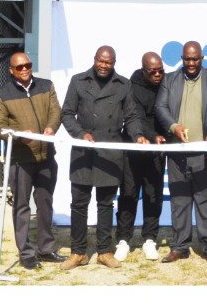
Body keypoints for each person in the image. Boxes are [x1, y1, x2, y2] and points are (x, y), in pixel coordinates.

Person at [59, 45, 148, 270]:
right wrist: (80, 134)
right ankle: (78, 252)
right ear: (95, 59)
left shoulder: (124, 84)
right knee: (79, 203)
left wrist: (137, 135)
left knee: (105, 204)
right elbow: (67, 113)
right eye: (100, 60)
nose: (103, 65)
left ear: (114, 63)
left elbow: (132, 116)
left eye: (108, 62)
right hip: (83, 151)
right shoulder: (78, 81)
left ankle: (104, 251)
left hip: (110, 151)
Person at [154, 41, 207, 267]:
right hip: (177, 152)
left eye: (195, 59)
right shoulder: (169, 80)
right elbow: (160, 108)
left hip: (205, 152)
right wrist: (173, 127)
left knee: (205, 199)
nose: (191, 63)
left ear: (202, 58)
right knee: (179, 200)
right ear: (182, 58)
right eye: (187, 59)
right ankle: (180, 247)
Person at [0, 52, 66, 270]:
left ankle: (46, 249)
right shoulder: (2, 94)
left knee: (45, 203)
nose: (24, 69)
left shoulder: (46, 86)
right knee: (22, 206)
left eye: (28, 65)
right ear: (11, 70)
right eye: (19, 67)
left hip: (46, 157)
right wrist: (20, 135)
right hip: (20, 160)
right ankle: (26, 252)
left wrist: (51, 127)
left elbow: (55, 111)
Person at [114, 52, 171, 262]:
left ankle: (149, 239)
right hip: (133, 146)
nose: (158, 75)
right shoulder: (132, 86)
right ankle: (123, 240)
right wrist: (149, 135)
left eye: (161, 70)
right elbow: (134, 116)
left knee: (153, 194)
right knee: (128, 193)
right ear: (143, 70)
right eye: (152, 71)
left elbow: (187, 76)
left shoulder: (166, 82)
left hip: (157, 148)